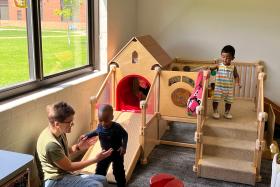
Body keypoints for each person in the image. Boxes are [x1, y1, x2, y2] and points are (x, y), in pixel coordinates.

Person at [36, 101, 113, 187]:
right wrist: (96, 159)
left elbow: (63, 152)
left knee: (103, 179)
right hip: (54, 180)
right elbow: (70, 167)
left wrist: (78, 147)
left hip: (65, 174)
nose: (72, 124)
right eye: (69, 122)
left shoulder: (59, 131)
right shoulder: (51, 144)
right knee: (96, 185)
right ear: (57, 124)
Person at [83, 104, 128, 187]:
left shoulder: (116, 127)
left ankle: (121, 185)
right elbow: (96, 131)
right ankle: (97, 184)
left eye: (106, 121)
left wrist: (124, 147)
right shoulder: (100, 126)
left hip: (117, 153)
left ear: (112, 117)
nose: (104, 124)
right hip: (104, 153)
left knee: (118, 171)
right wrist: (87, 135)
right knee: (100, 170)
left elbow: (125, 135)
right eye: (101, 121)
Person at [210, 45, 241, 119]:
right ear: (221, 56)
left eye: (228, 58)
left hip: (229, 88)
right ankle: (215, 111)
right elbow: (211, 68)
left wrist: (237, 83)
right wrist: (208, 68)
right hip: (218, 87)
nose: (225, 59)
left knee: (229, 101)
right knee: (216, 100)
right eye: (223, 57)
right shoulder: (218, 66)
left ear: (232, 58)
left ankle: (227, 112)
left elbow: (236, 76)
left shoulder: (233, 67)